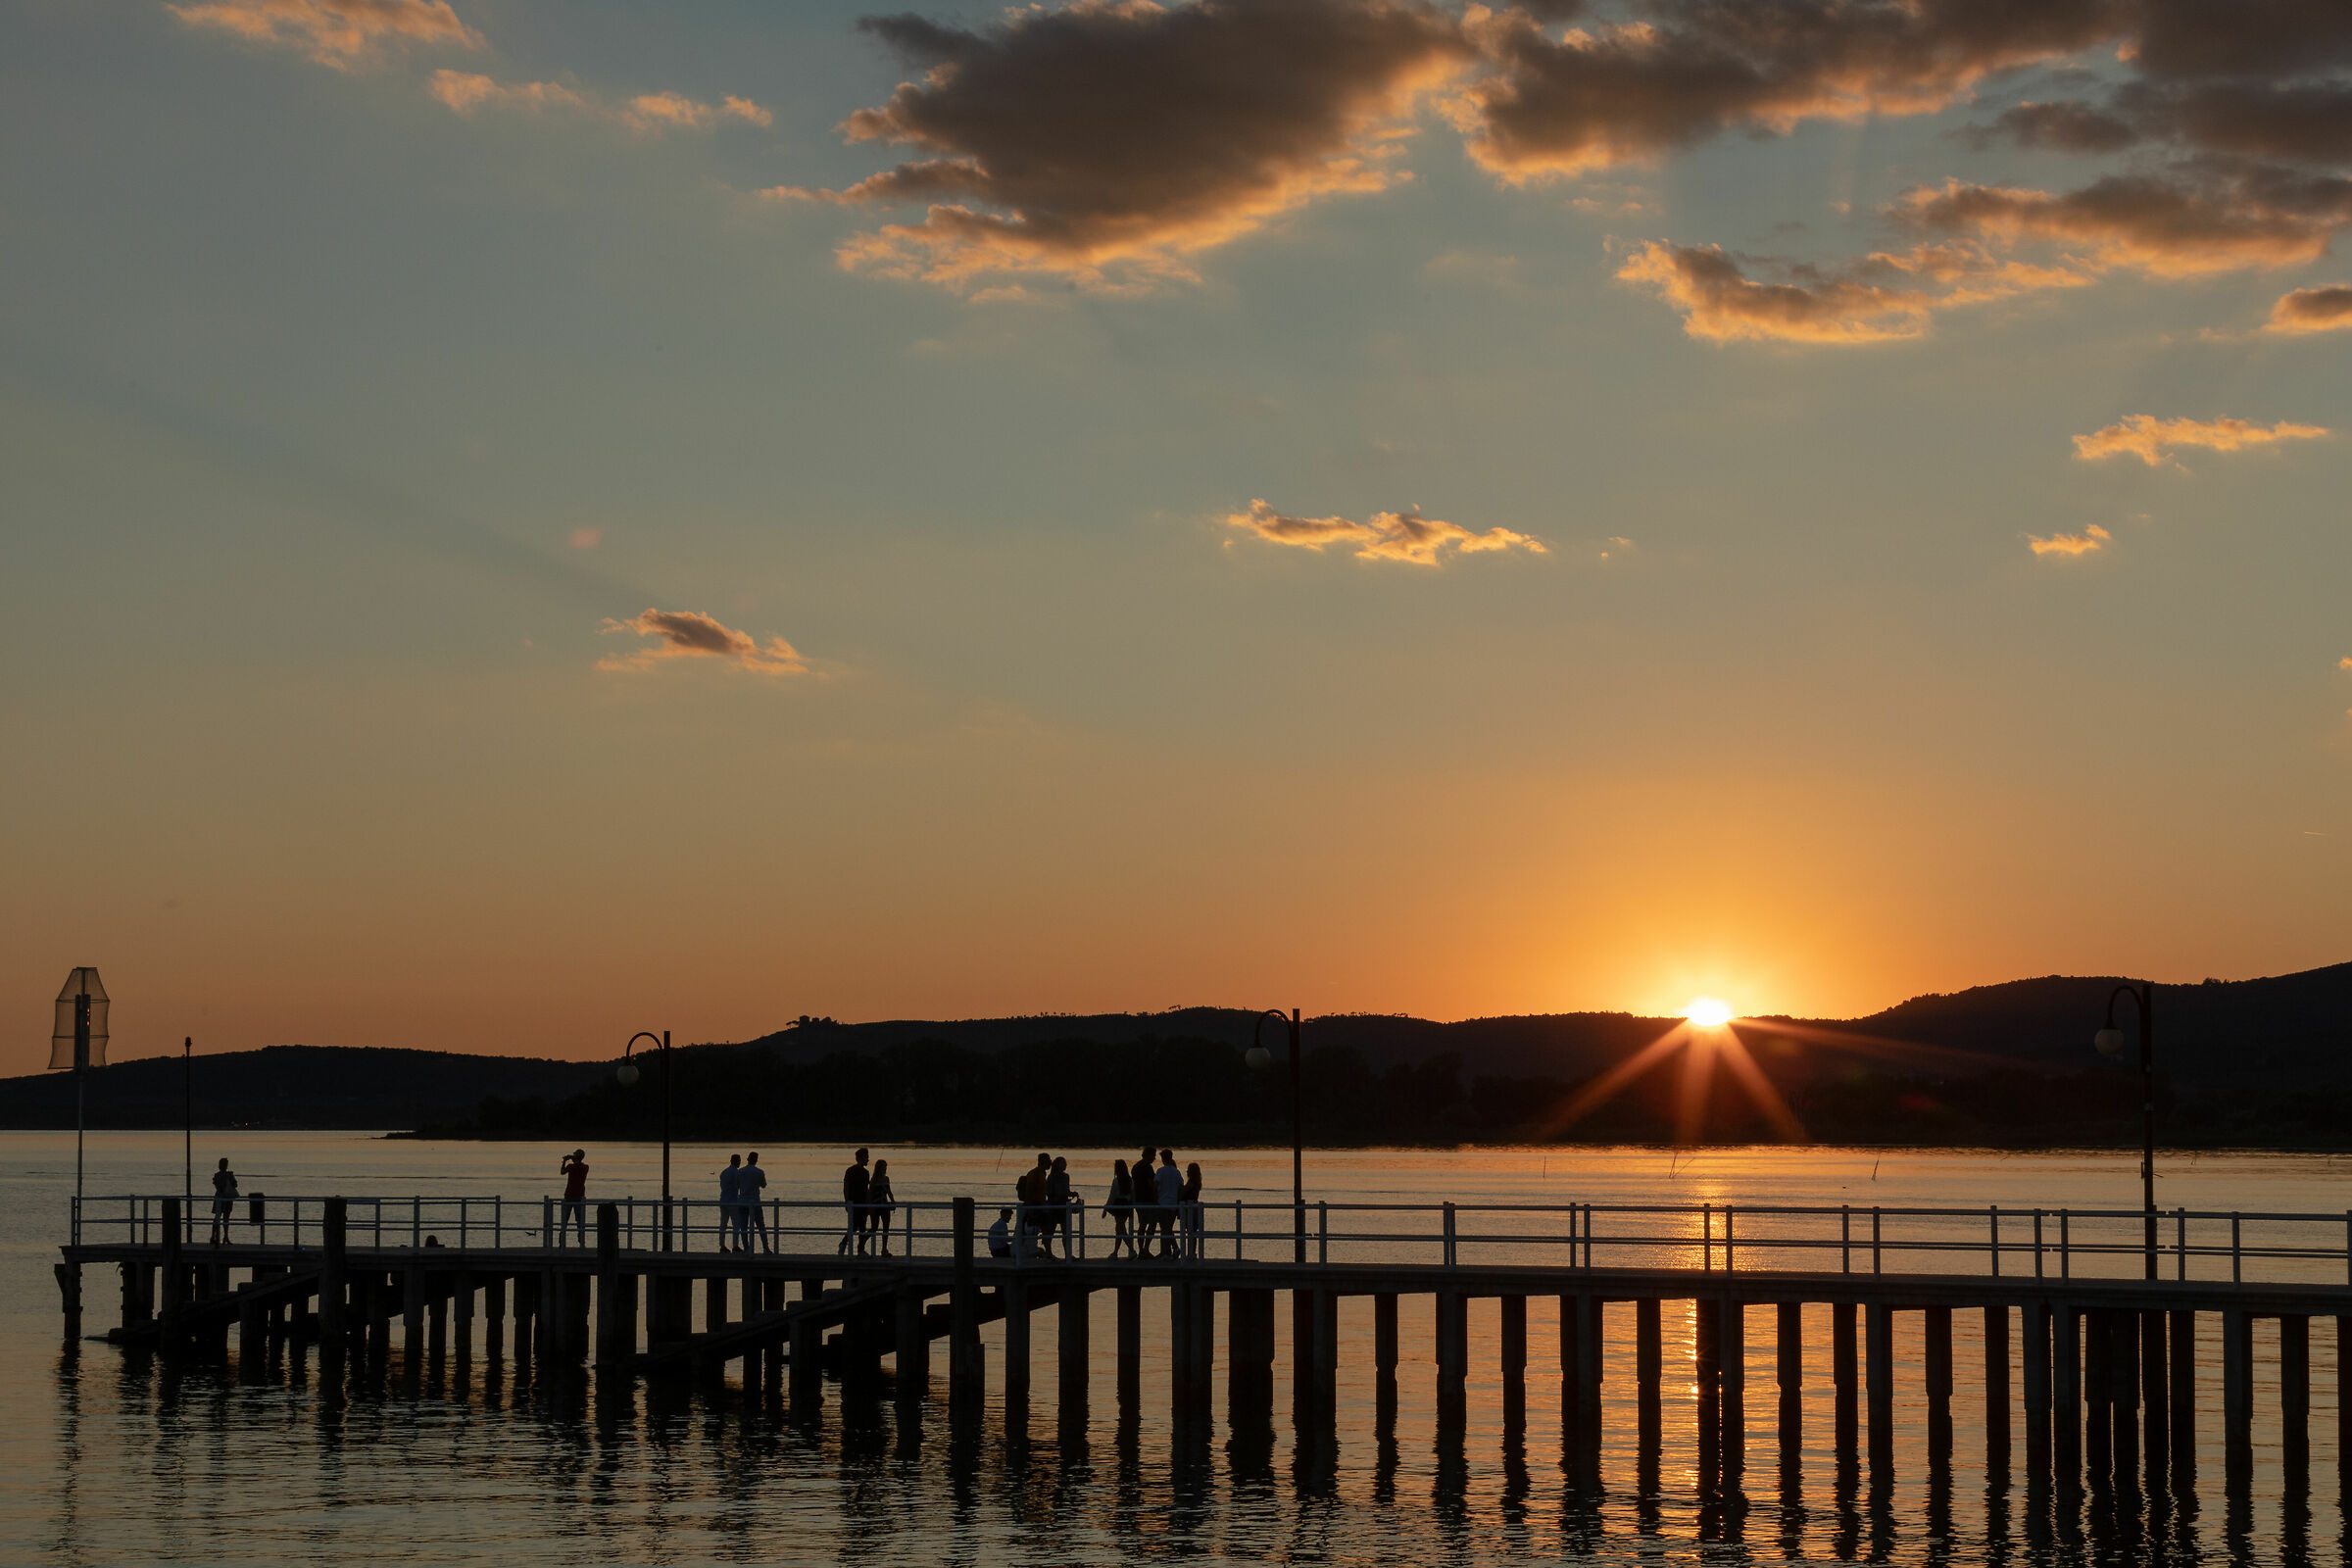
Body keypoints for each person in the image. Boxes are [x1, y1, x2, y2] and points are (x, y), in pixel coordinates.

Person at [840, 1148, 871, 1255]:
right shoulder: (850, 1171)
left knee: (862, 1226)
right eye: (866, 1157)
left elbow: (866, 1189)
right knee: (854, 1226)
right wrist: (847, 1201)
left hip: (863, 1203)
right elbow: (846, 1187)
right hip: (854, 1202)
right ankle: (845, 1243)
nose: (868, 1159)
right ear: (859, 1158)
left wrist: (868, 1204)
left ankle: (860, 1249)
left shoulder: (866, 1173)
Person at [1153, 1149, 1183, 1260]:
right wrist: (1178, 1201)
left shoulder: (1161, 1171)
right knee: (1167, 1227)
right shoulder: (1176, 1172)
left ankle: (1173, 1248)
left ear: (1163, 1158)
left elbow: (1155, 1184)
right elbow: (1180, 1187)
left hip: (1163, 1203)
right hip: (1173, 1203)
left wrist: (1155, 1197)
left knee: (1165, 1228)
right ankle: (1167, 1252)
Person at [1044, 1155, 1075, 1258]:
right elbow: (1048, 1192)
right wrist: (1058, 1195)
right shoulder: (1051, 1177)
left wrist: (1072, 1194)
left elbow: (1067, 1191)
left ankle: (1068, 1254)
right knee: (1050, 1231)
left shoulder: (1066, 1176)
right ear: (1057, 1165)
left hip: (1064, 1207)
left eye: (1064, 1163)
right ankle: (1048, 1253)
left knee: (1066, 1232)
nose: (1064, 1165)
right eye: (1062, 1163)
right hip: (1053, 1207)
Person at [1134, 1145, 1162, 1256]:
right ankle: (1146, 1249)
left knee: (1142, 1224)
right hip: (1148, 1200)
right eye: (1153, 1156)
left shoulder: (1136, 1167)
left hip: (1138, 1200)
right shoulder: (1147, 1167)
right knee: (1152, 1223)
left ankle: (1141, 1250)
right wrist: (1156, 1198)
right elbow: (1152, 1184)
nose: (1154, 1158)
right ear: (1149, 1155)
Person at [559, 1150, 589, 1248]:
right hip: (579, 1196)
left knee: (565, 1220)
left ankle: (561, 1243)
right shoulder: (585, 1167)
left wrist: (565, 1161)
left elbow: (562, 1172)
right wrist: (572, 1158)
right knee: (580, 1221)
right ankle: (582, 1242)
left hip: (569, 1196)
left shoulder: (571, 1166)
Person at [1105, 1158, 1135, 1258]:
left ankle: (1131, 1250)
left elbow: (1112, 1196)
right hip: (1126, 1205)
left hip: (1118, 1205)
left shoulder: (1116, 1181)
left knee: (1121, 1230)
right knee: (1119, 1229)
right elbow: (1133, 1194)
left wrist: (1106, 1208)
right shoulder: (1130, 1180)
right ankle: (1115, 1252)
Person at [740, 1152, 768, 1253]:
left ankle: (746, 1248)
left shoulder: (740, 1171)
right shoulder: (759, 1172)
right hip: (755, 1201)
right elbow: (764, 1185)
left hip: (743, 1201)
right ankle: (766, 1248)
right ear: (756, 1160)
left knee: (743, 1227)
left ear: (747, 1159)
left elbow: (737, 1185)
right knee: (761, 1225)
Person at [867, 1157, 897, 1255]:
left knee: (886, 1227)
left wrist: (893, 1201)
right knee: (874, 1227)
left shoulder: (886, 1178)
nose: (885, 1169)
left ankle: (884, 1249)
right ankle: (861, 1243)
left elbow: (889, 1191)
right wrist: (870, 1206)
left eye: (886, 1167)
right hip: (876, 1205)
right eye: (883, 1167)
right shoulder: (874, 1179)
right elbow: (870, 1194)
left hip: (884, 1205)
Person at [209, 1157, 238, 1244]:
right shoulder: (228, 1175)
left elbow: (217, 1186)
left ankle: (213, 1236)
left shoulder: (217, 1175)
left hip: (219, 1197)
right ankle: (225, 1237)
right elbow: (235, 1185)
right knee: (226, 1218)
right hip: (226, 1197)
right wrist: (230, 1177)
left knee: (217, 1218)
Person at [718, 1153, 743, 1253]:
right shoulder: (736, 1173)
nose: (740, 1162)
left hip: (723, 1199)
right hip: (732, 1201)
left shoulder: (724, 1172)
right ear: (736, 1161)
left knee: (723, 1224)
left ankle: (722, 1245)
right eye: (739, 1160)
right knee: (736, 1224)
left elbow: (722, 1185)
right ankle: (735, 1245)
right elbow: (738, 1185)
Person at [1181, 1160, 1204, 1260]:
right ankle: (1192, 1252)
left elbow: (1184, 1191)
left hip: (1189, 1207)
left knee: (1190, 1230)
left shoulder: (1191, 1182)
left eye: (1188, 1170)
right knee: (1193, 1231)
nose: (1187, 1172)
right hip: (1194, 1206)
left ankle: (1190, 1253)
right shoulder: (1197, 1182)